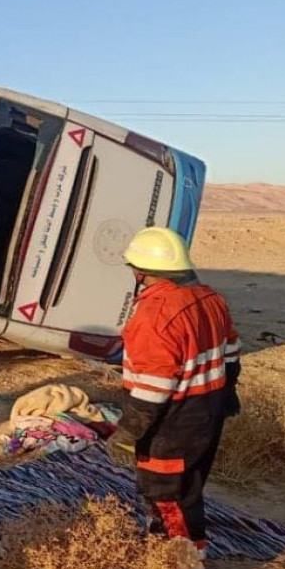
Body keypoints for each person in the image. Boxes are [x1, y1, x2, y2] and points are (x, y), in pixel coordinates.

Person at [107, 227, 241, 551]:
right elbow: (232, 351)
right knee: (190, 485)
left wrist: (129, 431)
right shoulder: (211, 299)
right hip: (209, 409)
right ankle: (185, 544)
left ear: (140, 272)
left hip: (173, 420)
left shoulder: (155, 312)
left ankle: (182, 562)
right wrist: (228, 394)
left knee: (164, 492)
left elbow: (156, 384)